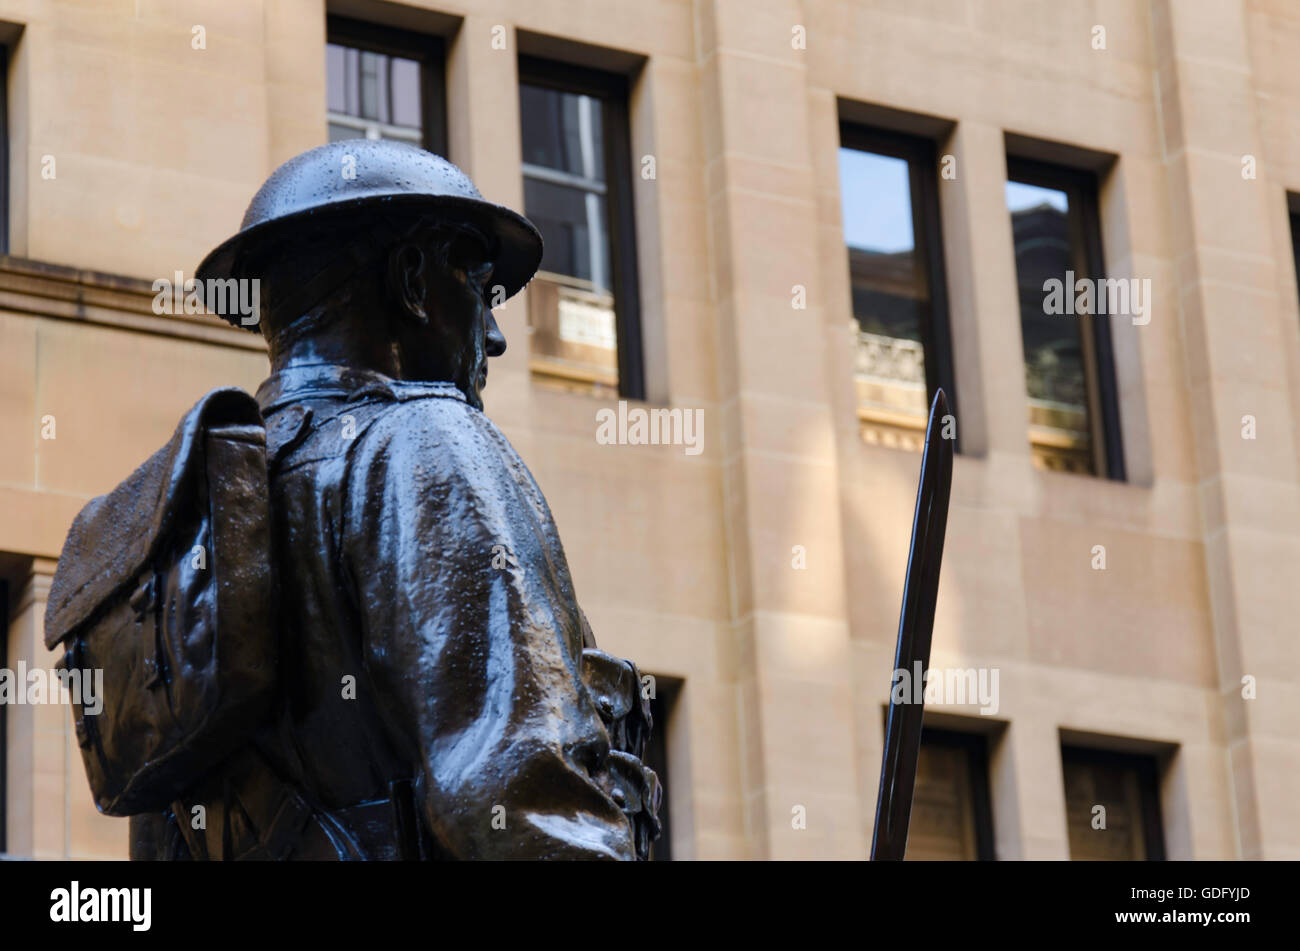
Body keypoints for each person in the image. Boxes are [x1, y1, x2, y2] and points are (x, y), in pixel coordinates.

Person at [128, 139, 660, 860]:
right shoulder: (426, 438)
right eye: (478, 284)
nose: (496, 336)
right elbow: (516, 795)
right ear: (413, 280)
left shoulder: (197, 509)